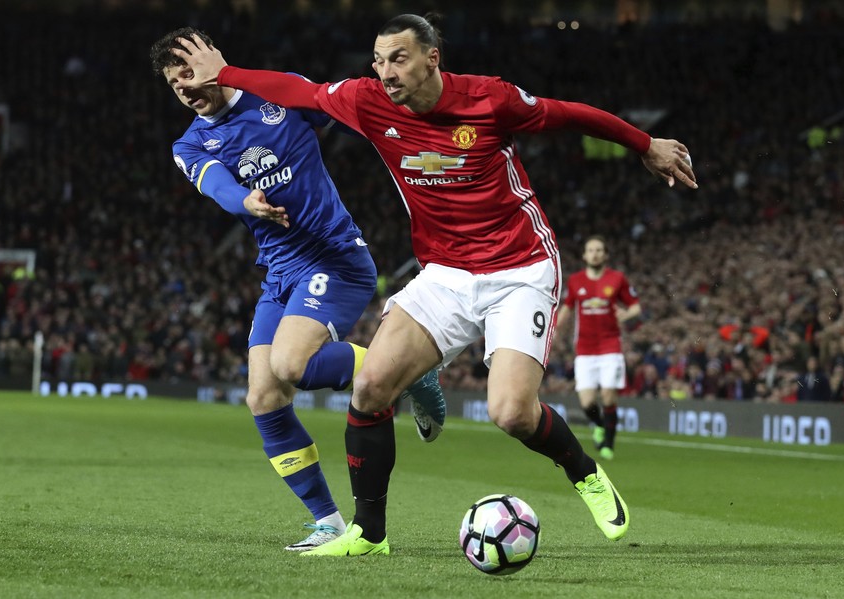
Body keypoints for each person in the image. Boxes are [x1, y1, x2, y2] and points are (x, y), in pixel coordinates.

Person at [171, 13, 697, 556]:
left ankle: (583, 470)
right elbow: (296, 90)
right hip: (444, 273)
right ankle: (367, 535)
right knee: (371, 387)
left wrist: (644, 144)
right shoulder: (368, 101)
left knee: (511, 413)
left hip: (519, 267)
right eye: (378, 61)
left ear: (431, 58)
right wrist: (229, 73)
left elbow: (567, 114)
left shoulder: (489, 99)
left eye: (398, 58)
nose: (386, 72)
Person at [149, 27, 445, 552]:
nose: (187, 89)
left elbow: (343, 110)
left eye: (190, 75)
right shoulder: (190, 143)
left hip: (334, 257)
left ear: (216, 64)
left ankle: (406, 370)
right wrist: (247, 201)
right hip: (281, 273)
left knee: (291, 365)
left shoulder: (276, 93)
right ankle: (328, 521)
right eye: (176, 85)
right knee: (264, 396)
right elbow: (218, 184)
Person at [556, 236, 641, 461]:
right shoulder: (575, 281)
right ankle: (601, 425)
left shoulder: (617, 279)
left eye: (599, 250)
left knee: (609, 396)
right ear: (585, 255)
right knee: (587, 402)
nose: (594, 253)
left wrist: (627, 314)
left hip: (610, 346)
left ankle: (608, 444)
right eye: (590, 250)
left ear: (605, 255)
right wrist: (554, 329)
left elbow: (635, 307)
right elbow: (567, 308)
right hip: (584, 349)